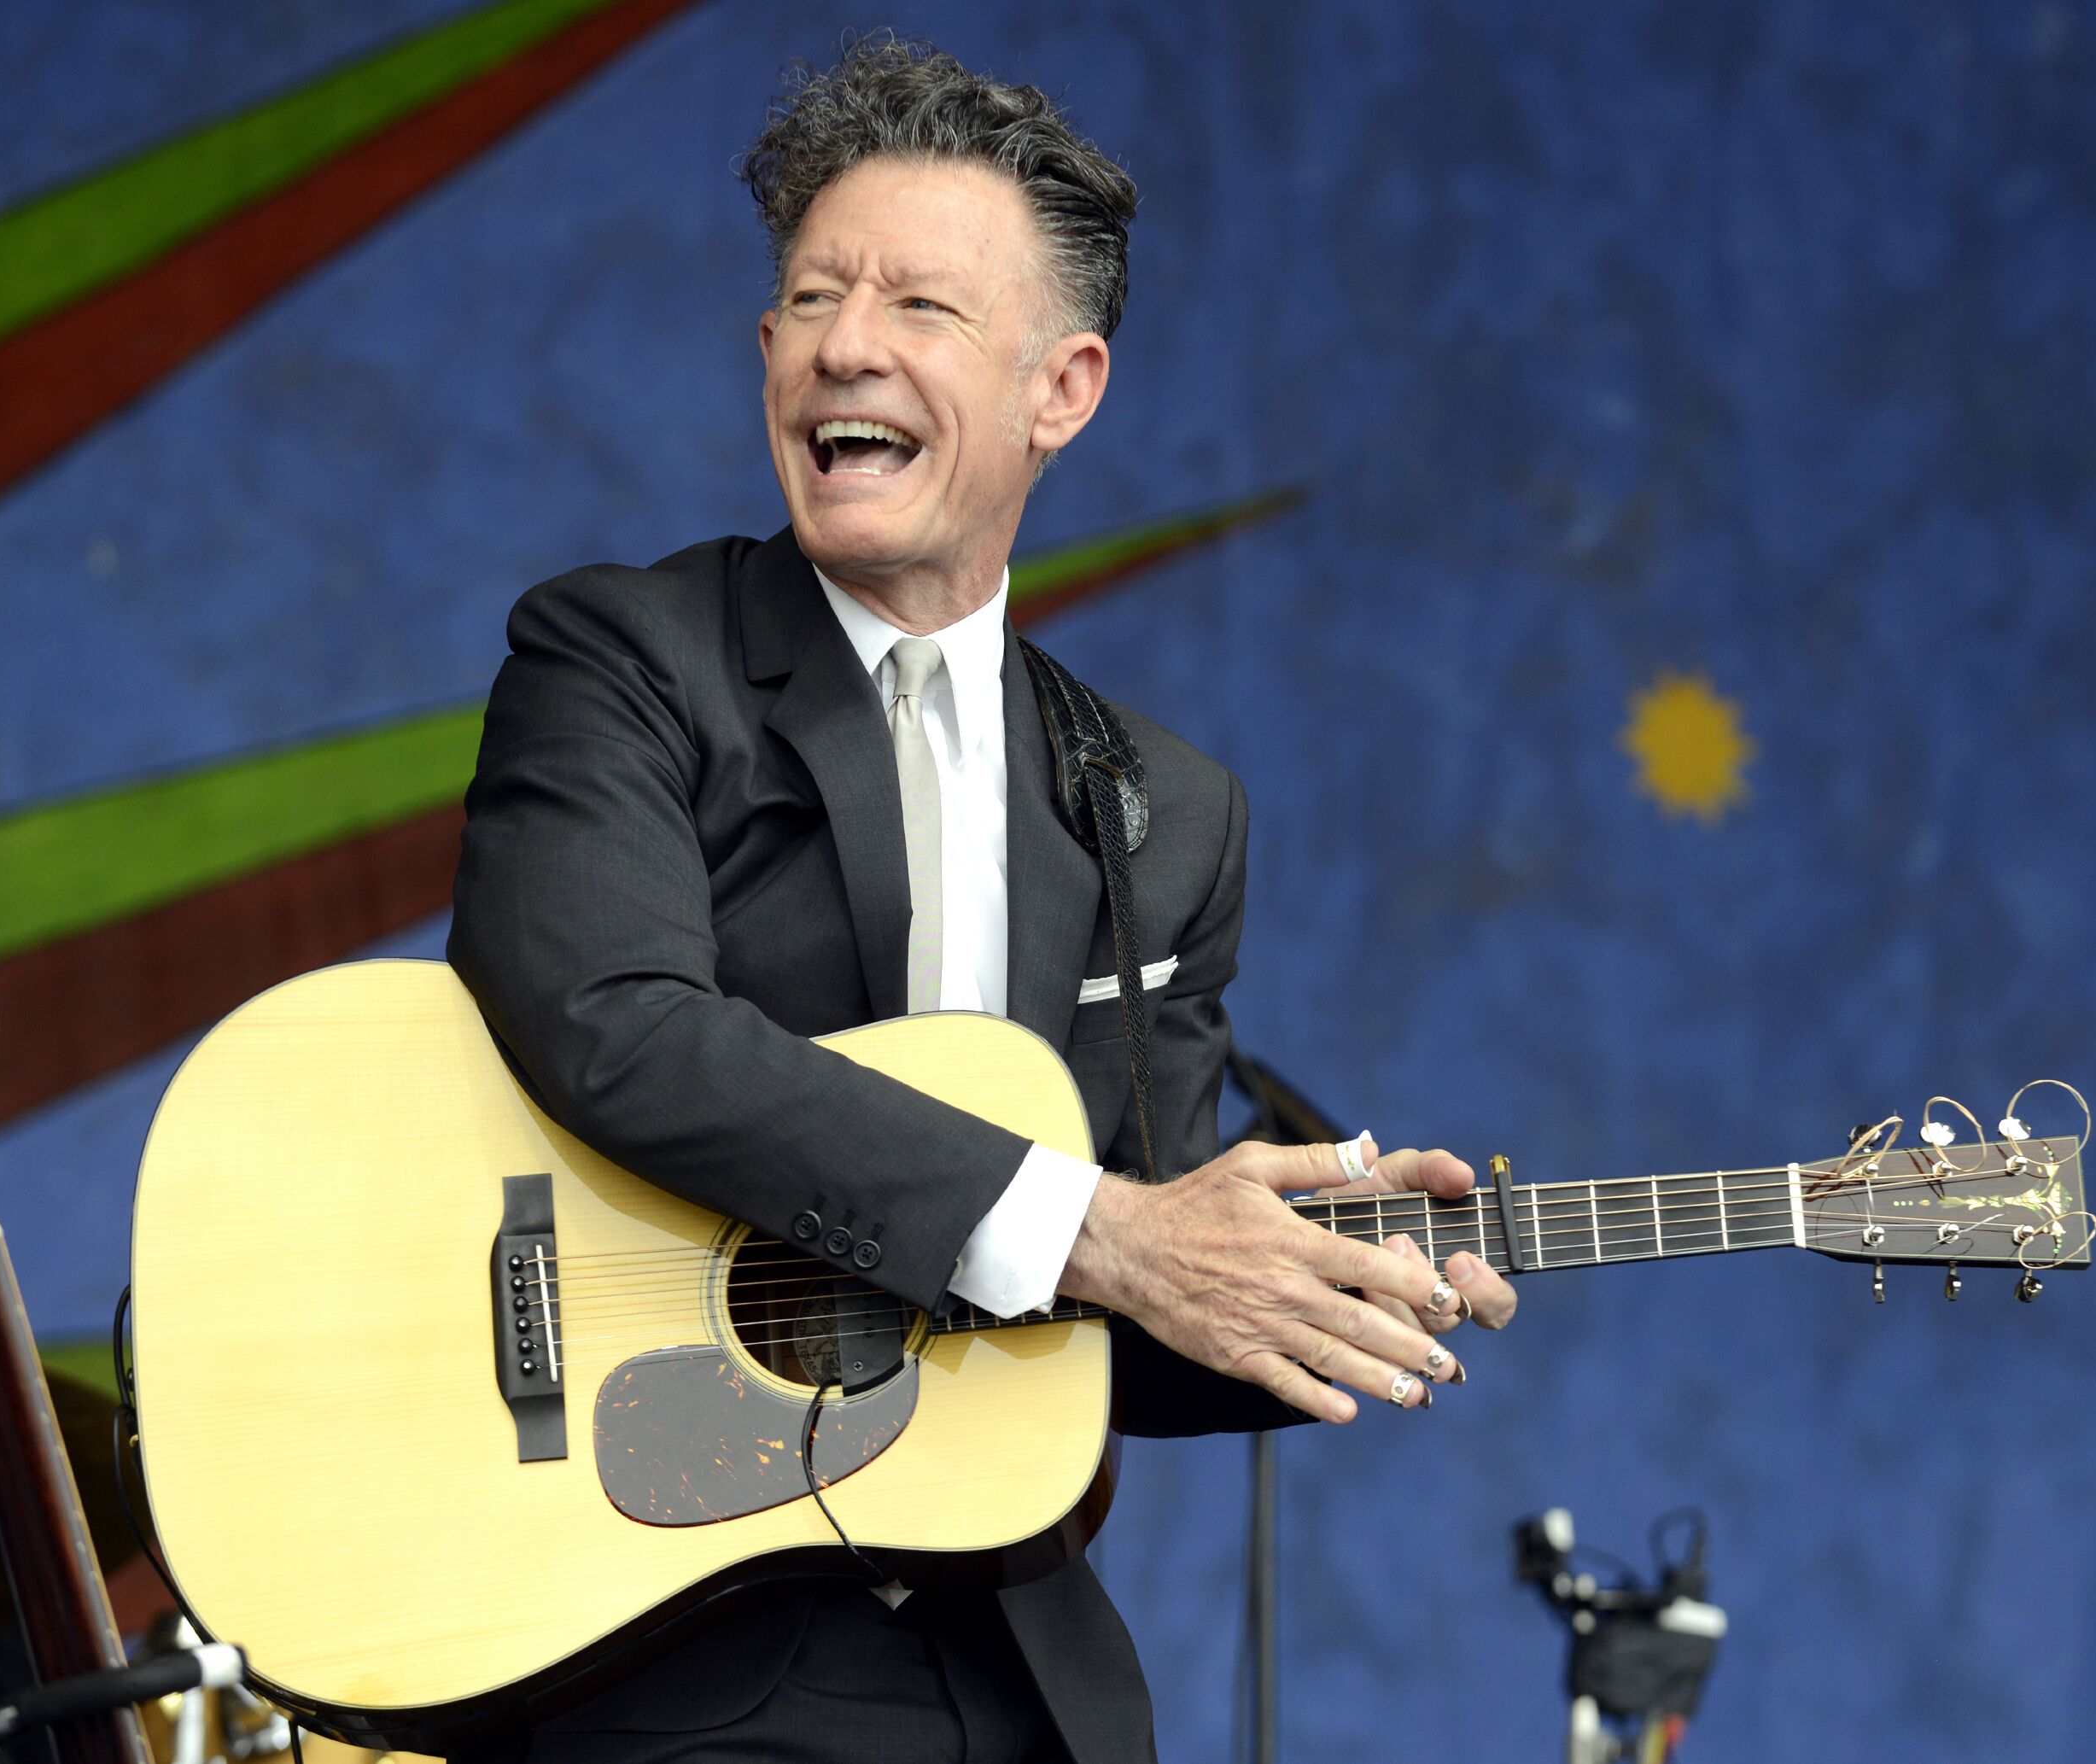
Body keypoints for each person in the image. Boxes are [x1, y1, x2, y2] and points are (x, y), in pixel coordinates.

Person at [447, 35, 1517, 1764]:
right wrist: (1107, 1228)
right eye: (809, 297)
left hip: (995, 1652)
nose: (842, 343)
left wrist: (1303, 1302)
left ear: (1062, 388)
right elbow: (609, 1024)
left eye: (919, 306)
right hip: (656, 1631)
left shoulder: (1162, 813)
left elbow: (1108, 1306)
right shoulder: (626, 659)